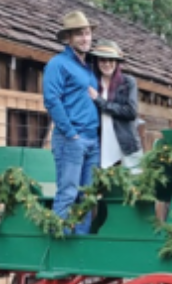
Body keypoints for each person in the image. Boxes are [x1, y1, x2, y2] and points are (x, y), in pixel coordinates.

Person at [43, 11, 100, 234]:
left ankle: (79, 255)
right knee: (68, 193)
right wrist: (71, 134)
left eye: (87, 33)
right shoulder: (58, 64)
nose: (85, 38)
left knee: (86, 197)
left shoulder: (88, 68)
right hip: (71, 139)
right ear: (68, 38)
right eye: (79, 34)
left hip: (92, 140)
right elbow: (51, 100)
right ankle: (59, 251)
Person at [88, 39, 143, 175]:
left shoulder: (128, 82)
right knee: (105, 188)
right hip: (102, 145)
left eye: (111, 60)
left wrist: (100, 101)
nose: (107, 64)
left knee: (135, 186)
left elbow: (131, 111)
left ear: (117, 62)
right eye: (102, 60)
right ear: (97, 62)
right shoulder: (93, 83)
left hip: (126, 143)